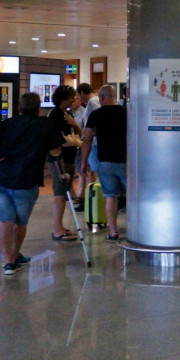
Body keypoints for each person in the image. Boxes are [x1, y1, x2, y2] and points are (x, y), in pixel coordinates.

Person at [0, 92, 63, 276]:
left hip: (1, 180)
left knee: (4, 221)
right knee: (20, 222)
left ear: (19, 108)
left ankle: (8, 261)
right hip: (27, 181)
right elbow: (56, 152)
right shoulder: (45, 125)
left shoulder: (8, 124)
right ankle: (15, 256)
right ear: (39, 108)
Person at [80, 85, 127, 242]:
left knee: (110, 197)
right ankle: (136, 230)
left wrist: (83, 161)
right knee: (132, 197)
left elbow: (87, 139)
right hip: (126, 161)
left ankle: (113, 232)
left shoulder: (96, 115)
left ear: (101, 98)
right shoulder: (125, 112)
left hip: (105, 161)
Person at [48, 86, 81, 241]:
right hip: (59, 159)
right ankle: (56, 229)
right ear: (63, 99)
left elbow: (75, 132)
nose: (73, 100)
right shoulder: (55, 116)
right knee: (60, 195)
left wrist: (75, 126)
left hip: (68, 158)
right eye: (70, 97)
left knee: (64, 194)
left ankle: (60, 226)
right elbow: (58, 139)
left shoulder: (66, 114)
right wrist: (75, 142)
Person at [73, 83, 101, 209]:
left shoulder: (92, 103)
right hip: (93, 141)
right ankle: (89, 200)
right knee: (90, 173)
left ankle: (91, 201)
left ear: (83, 93)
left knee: (89, 172)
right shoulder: (94, 101)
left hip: (92, 142)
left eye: (79, 95)